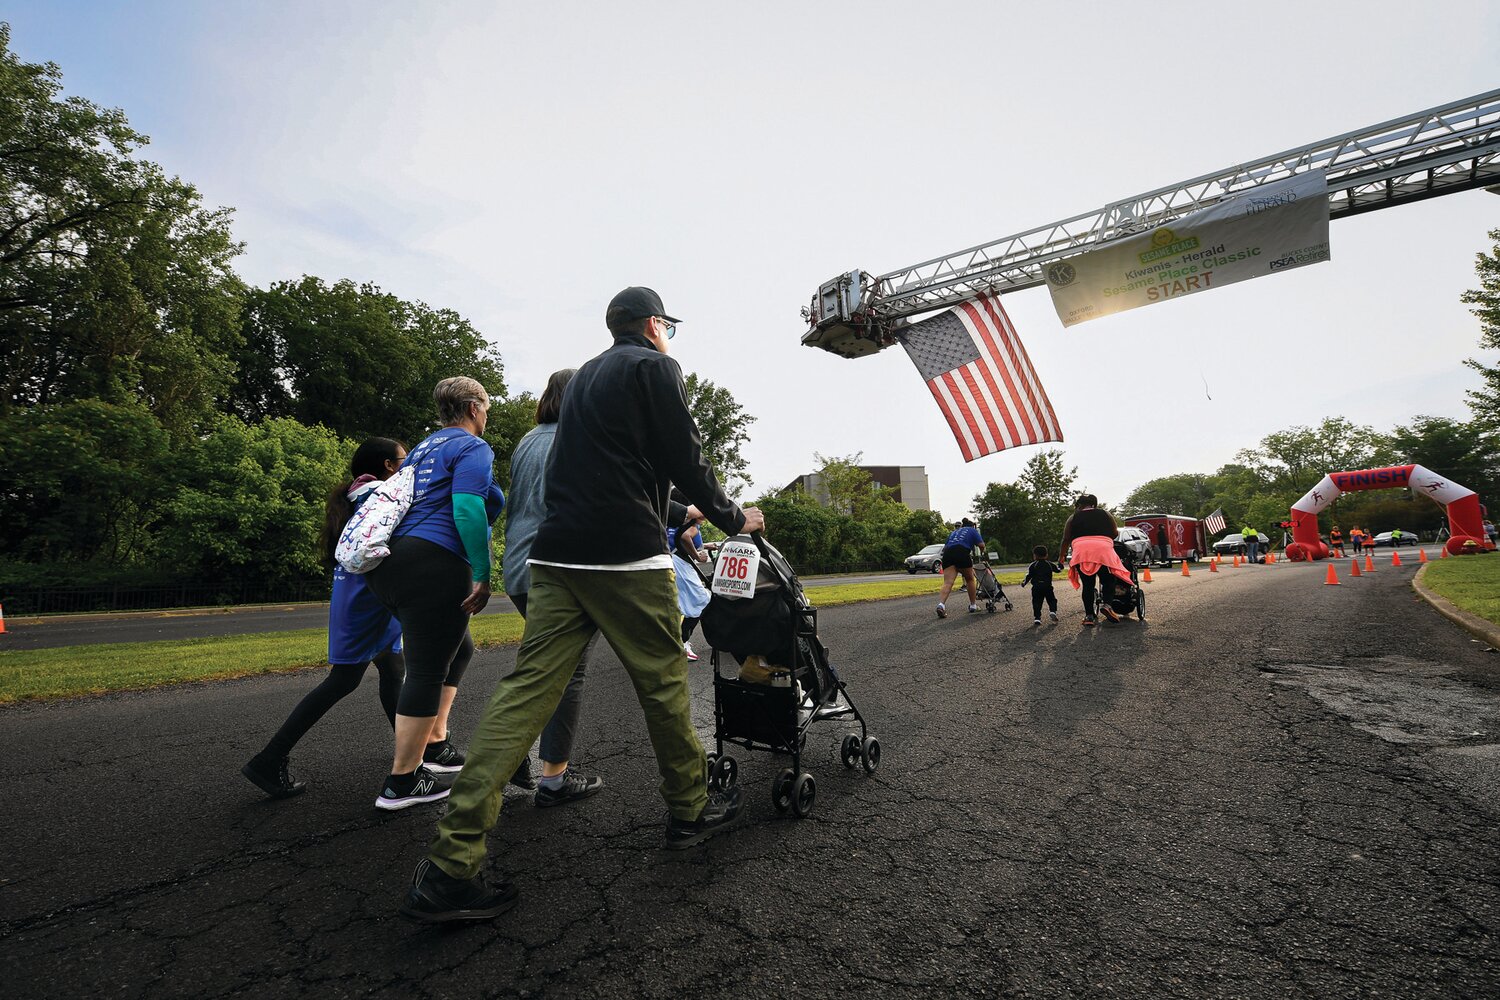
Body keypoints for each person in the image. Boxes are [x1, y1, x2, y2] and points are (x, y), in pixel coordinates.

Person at [399, 286, 765, 924]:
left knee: (525, 691)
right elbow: (686, 457)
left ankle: (450, 861)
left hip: (556, 557)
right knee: (660, 682)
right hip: (624, 555)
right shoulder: (655, 367)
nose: (668, 337)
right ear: (654, 326)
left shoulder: (588, 374)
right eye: (667, 328)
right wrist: (735, 516)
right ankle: (689, 807)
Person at [242, 437, 409, 799]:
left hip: (359, 594)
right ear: (388, 466)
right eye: (403, 459)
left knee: (393, 670)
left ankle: (411, 753)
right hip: (370, 597)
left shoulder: (357, 494)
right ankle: (269, 759)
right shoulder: (376, 495)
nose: (408, 464)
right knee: (343, 680)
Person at [365, 377, 500, 811]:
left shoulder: (423, 449)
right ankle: (402, 781)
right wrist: (482, 570)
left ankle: (436, 745)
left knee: (459, 648)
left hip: (391, 562)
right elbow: (466, 506)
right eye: (487, 405)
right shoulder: (472, 447)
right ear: (474, 409)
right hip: (435, 562)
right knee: (425, 668)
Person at [502, 367, 605, 808]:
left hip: (518, 566)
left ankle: (513, 755)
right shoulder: (575, 439)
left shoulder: (528, 440)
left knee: (540, 669)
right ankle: (554, 778)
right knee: (567, 673)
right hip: (556, 568)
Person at [1061, 495, 1132, 626]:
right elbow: (1115, 533)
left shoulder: (1073, 517)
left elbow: (1066, 538)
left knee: (1088, 585)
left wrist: (1061, 557)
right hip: (1102, 550)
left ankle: (1089, 616)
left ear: (1080, 506)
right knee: (1108, 580)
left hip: (1081, 552)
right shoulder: (1106, 514)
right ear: (1095, 504)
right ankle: (1107, 605)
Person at [669, 519, 711, 661]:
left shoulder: (675, 523)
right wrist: (698, 556)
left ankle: (679, 641)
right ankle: (683, 643)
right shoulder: (692, 525)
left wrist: (707, 546)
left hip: (674, 563)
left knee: (685, 603)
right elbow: (685, 537)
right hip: (681, 566)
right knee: (701, 600)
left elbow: (680, 542)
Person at [935, 518, 986, 618]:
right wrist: (981, 553)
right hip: (962, 552)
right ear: (972, 526)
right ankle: (973, 605)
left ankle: (941, 605)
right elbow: (981, 545)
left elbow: (945, 547)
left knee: (948, 582)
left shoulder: (954, 532)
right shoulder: (973, 530)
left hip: (948, 554)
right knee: (970, 579)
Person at [1021, 545, 1063, 626]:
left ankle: (1037, 618)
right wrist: (1060, 566)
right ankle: (1052, 611)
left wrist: (1024, 582)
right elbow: (1058, 570)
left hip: (1036, 587)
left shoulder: (1033, 565)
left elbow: (1029, 575)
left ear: (1035, 556)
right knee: (1051, 600)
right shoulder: (1049, 564)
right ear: (1046, 555)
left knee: (1037, 602)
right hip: (1047, 586)